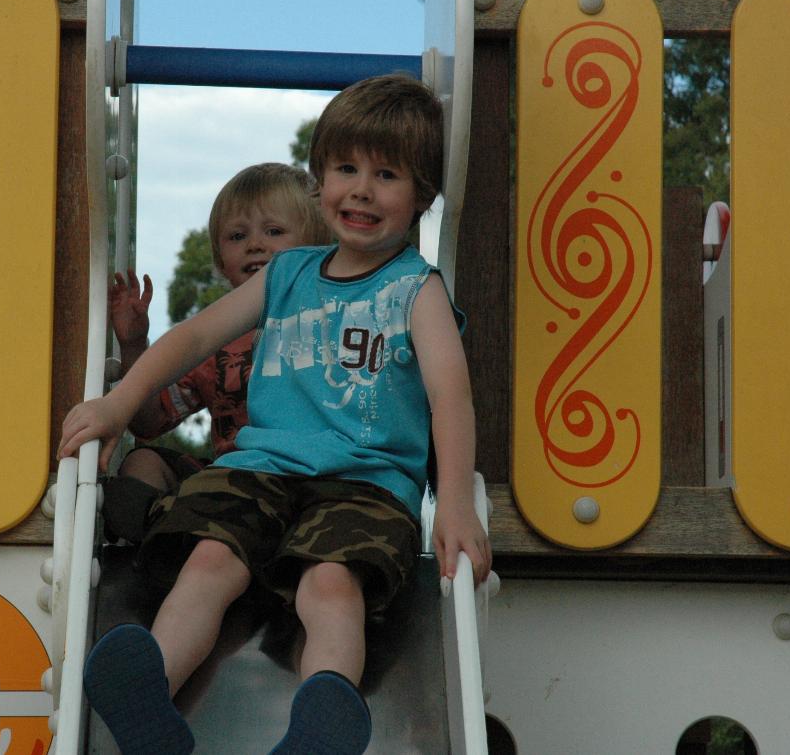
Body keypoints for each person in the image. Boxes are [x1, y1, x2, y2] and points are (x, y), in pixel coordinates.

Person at [60, 74, 491, 755]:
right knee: (208, 560)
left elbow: (450, 396)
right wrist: (118, 403)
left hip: (366, 481)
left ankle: (323, 719)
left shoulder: (416, 288)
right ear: (320, 178)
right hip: (258, 467)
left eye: (387, 175)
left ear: (422, 198)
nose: (362, 189)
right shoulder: (289, 273)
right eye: (346, 168)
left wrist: (458, 502)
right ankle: (150, 693)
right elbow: (196, 337)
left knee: (332, 584)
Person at [100, 163, 330, 545]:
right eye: (237, 236)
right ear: (220, 259)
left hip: (303, 482)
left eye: (273, 231)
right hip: (227, 482)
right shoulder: (213, 340)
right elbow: (148, 421)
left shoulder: (328, 323)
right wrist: (134, 344)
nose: (254, 244)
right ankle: (163, 542)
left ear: (318, 244)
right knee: (142, 461)